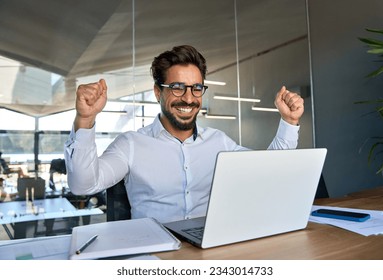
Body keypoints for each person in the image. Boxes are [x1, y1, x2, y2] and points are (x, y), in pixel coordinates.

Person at [64, 45, 304, 223]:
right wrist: (85, 120)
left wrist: (289, 121)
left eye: (196, 88)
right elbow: (83, 185)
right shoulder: (131, 144)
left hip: (210, 250)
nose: (188, 98)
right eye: (177, 88)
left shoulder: (219, 141)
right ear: (158, 92)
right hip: (154, 254)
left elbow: (271, 169)